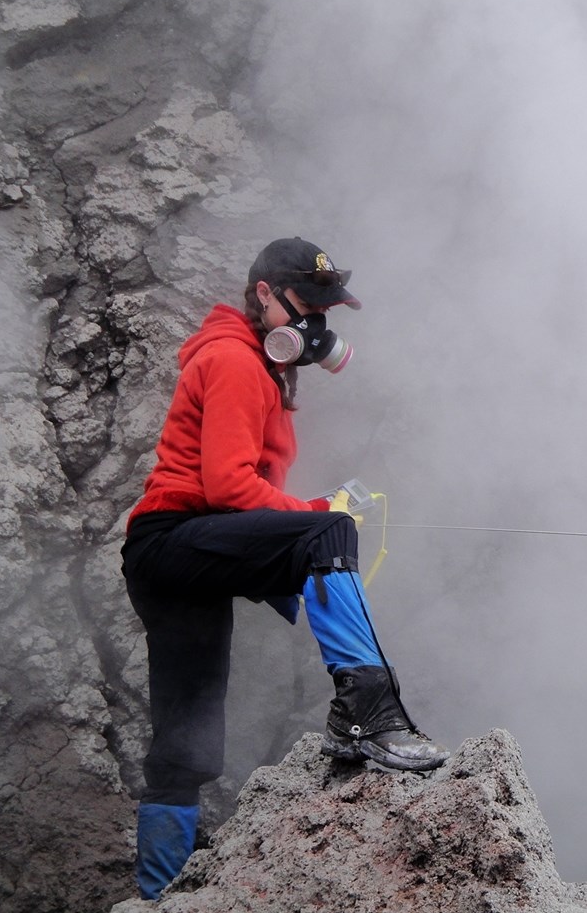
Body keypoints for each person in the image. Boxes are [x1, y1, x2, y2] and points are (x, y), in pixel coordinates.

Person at [121, 237, 449, 900]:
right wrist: (316, 515)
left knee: (188, 732)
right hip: (176, 536)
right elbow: (228, 487)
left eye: (327, 309)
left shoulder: (250, 363)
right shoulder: (236, 361)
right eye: (308, 303)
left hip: (168, 552)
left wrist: (306, 517)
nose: (317, 325)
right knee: (328, 532)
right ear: (264, 294)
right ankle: (368, 716)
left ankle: (156, 895)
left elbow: (235, 497)